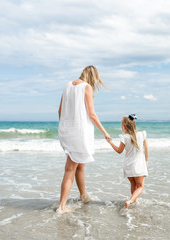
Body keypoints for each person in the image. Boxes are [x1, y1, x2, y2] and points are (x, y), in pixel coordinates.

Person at [56, 65, 111, 213]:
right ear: (93, 77)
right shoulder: (86, 87)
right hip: (79, 132)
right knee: (70, 168)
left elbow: (60, 110)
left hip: (66, 129)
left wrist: (66, 126)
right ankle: (61, 207)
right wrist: (105, 131)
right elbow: (92, 114)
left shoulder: (67, 85)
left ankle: (83, 195)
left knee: (80, 164)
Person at [107, 114, 149, 208]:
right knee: (140, 186)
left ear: (124, 126)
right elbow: (146, 149)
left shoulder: (124, 137)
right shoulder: (142, 135)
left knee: (133, 184)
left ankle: (135, 201)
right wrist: (146, 161)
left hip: (128, 165)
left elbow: (119, 151)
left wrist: (110, 142)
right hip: (139, 165)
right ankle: (130, 201)